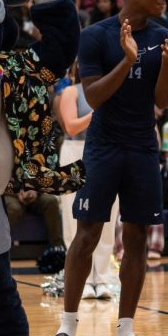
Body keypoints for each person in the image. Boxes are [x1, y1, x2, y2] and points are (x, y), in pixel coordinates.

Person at [45, 0, 168, 336]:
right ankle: (67, 328)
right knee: (87, 235)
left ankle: (126, 332)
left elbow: (164, 98)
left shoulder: (163, 35)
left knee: (137, 239)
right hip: (103, 147)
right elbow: (95, 97)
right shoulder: (96, 35)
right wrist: (128, 60)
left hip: (143, 147)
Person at [55, 73, 117, 301]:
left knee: (108, 217)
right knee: (74, 219)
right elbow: (71, 127)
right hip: (75, 151)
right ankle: (80, 279)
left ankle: (102, 278)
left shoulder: (113, 87)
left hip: (107, 148)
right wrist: (98, 114)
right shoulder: (71, 92)